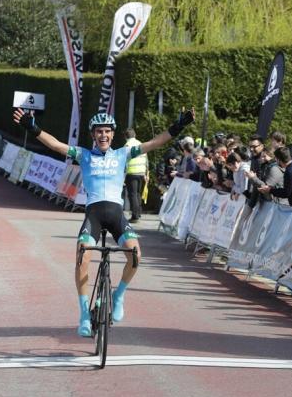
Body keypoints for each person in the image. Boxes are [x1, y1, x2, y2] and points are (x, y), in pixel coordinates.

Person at [12, 106, 195, 336]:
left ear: (112, 134)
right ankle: (84, 315)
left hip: (117, 215)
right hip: (94, 216)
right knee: (82, 256)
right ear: (93, 135)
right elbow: (57, 145)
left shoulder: (123, 154)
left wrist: (179, 125)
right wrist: (33, 127)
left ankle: (118, 295)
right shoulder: (84, 155)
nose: (103, 135)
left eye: (107, 131)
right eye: (99, 132)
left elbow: (155, 143)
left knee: (136, 255)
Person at [124, 128, 148, 223]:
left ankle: (135, 216)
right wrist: (146, 173)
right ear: (135, 135)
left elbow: (124, 160)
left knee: (132, 194)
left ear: (126, 136)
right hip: (141, 172)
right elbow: (146, 159)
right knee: (137, 194)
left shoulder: (127, 145)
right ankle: (138, 213)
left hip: (132, 172)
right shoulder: (140, 144)